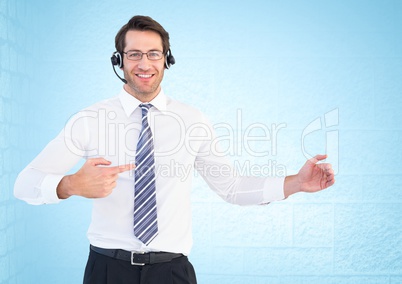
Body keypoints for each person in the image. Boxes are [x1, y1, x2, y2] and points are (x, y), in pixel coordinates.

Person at [14, 15, 335, 284]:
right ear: (119, 60)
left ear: (167, 59)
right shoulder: (88, 120)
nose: (144, 63)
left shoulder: (192, 120)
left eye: (154, 54)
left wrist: (296, 183)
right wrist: (69, 184)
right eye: (134, 54)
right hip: (107, 270)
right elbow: (24, 184)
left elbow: (232, 188)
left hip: (172, 271)